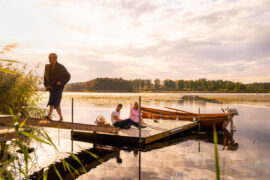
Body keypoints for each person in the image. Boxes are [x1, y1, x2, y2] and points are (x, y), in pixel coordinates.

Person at [44, 53, 70, 121]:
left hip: (58, 88)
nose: (49, 59)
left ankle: (52, 116)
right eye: (49, 58)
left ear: (55, 58)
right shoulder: (48, 67)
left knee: (56, 103)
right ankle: (57, 117)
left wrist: (61, 82)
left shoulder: (61, 67)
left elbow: (68, 76)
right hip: (51, 88)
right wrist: (46, 84)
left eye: (50, 58)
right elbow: (45, 77)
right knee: (52, 102)